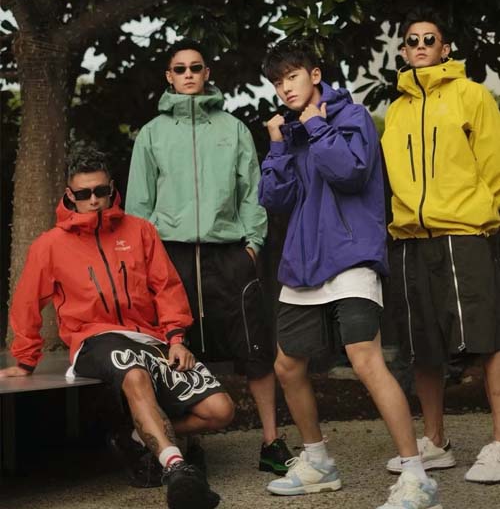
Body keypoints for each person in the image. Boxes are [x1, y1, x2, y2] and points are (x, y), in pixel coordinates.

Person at [258, 39, 441, 509]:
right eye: (278, 82)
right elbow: (276, 200)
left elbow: (351, 173)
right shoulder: (292, 132)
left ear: (315, 75)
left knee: (365, 359)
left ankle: (417, 477)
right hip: (303, 264)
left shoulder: (352, 117)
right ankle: (318, 462)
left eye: (292, 77)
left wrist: (316, 125)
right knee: (286, 365)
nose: (285, 88)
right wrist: (278, 146)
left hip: (351, 256)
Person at [0, 146, 234, 509]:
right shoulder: (50, 245)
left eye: (100, 191)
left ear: (112, 189)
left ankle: (134, 434)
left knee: (221, 410)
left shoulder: (140, 231)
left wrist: (175, 338)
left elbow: (167, 287)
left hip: (149, 338)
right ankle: (177, 469)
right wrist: (25, 359)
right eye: (83, 194)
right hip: (94, 339)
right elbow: (27, 302)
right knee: (135, 374)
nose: (93, 200)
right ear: (69, 195)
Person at [125, 39, 291, 474]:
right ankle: (185, 443)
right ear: (169, 76)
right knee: (177, 352)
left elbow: (252, 192)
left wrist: (252, 245)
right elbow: (138, 206)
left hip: (229, 256)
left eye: (195, 67)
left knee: (256, 350)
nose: (188, 75)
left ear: (207, 73)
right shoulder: (152, 134)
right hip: (172, 257)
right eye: (180, 69)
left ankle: (272, 442)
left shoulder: (233, 129)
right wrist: (147, 260)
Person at [381, 7, 500, 484]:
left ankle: (499, 442)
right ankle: (436, 442)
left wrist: (484, 217)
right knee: (423, 346)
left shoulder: (473, 96)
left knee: (487, 340)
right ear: (404, 51)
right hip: (411, 238)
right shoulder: (397, 109)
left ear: (445, 48)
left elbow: (493, 165)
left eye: (429, 39)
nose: (421, 46)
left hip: (464, 233)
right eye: (412, 40)